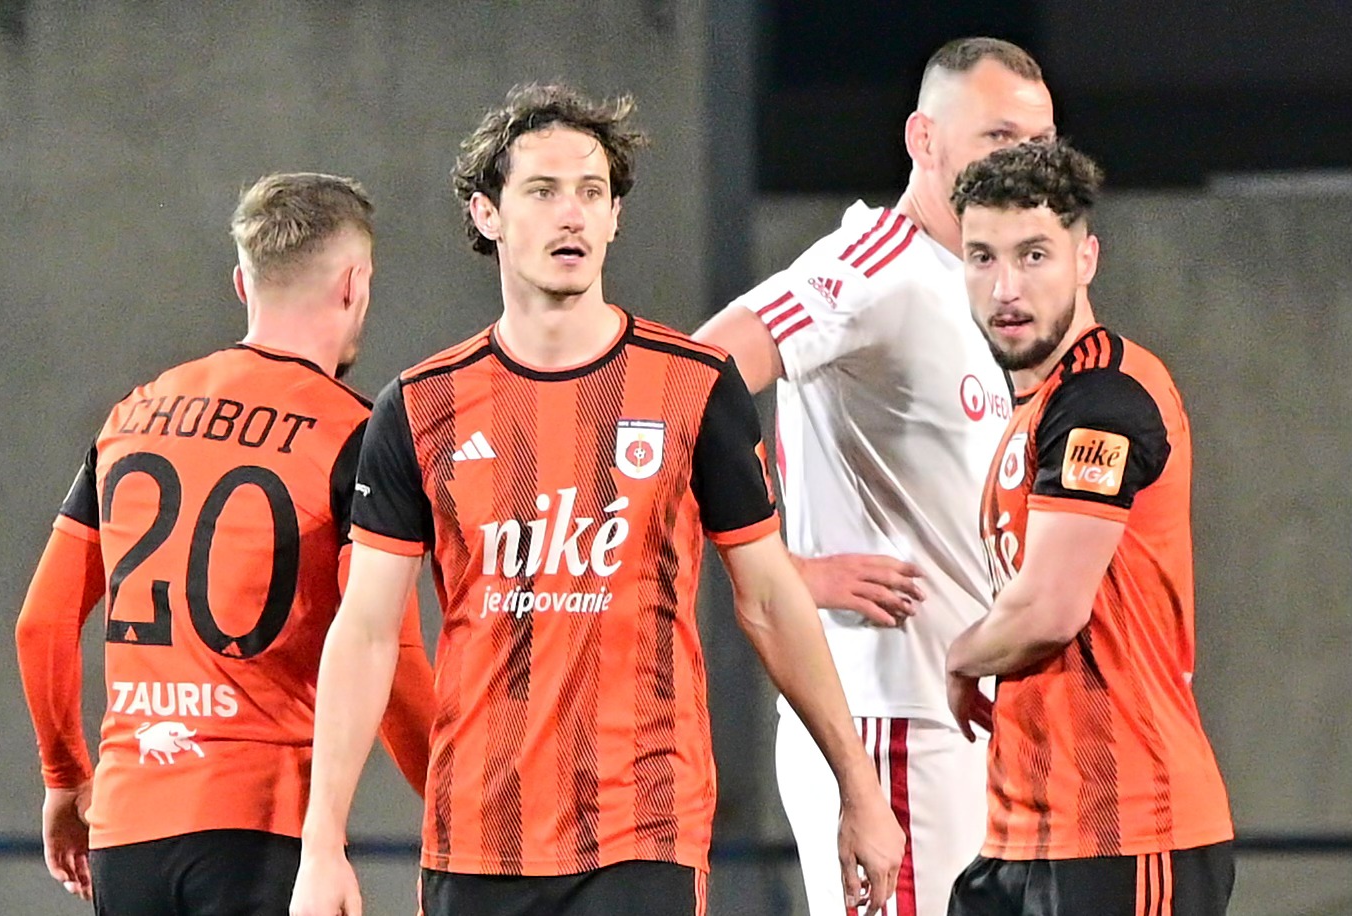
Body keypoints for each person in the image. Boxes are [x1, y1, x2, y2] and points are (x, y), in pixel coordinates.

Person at [287, 83, 904, 916]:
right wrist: (322, 843)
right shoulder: (420, 407)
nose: (571, 214)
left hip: (643, 829)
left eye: (592, 192)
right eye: (543, 191)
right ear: (487, 214)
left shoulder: (694, 386)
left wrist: (859, 789)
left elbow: (769, 600)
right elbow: (364, 633)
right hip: (478, 834)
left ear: (615, 217)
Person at [693, 37, 1055, 916]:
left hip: (971, 719)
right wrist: (784, 570)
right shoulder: (875, 266)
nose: (1026, 165)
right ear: (923, 140)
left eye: (1041, 144)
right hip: (892, 720)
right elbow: (685, 385)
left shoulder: (985, 290)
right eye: (999, 138)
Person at [14, 173, 437, 916]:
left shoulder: (132, 416)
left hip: (127, 833)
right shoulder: (356, 436)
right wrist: (456, 810)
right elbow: (392, 664)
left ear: (243, 284)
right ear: (354, 284)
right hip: (261, 830)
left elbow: (41, 625)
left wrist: (63, 777)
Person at [943, 138, 1235, 915]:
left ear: (1086, 259)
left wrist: (960, 656)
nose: (1006, 287)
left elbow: (1049, 609)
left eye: (1034, 255)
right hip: (1024, 834)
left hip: (1128, 831)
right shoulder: (1037, 409)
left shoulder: (1103, 396)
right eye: (982, 258)